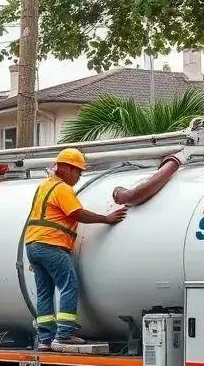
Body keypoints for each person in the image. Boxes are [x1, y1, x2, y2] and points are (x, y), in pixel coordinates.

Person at [24, 148, 127, 351]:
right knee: (68, 285)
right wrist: (106, 219)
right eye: (78, 172)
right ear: (67, 169)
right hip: (52, 245)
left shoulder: (44, 186)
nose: (79, 177)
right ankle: (64, 335)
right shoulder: (62, 189)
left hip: (33, 245)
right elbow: (77, 213)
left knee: (45, 292)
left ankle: (45, 339)